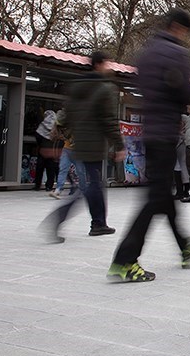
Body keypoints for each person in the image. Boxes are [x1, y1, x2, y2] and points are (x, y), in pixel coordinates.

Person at [107, 8, 190, 282]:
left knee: (162, 193)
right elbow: (185, 91)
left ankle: (185, 246)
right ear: (178, 27)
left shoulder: (147, 52)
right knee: (154, 199)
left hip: (150, 131)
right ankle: (124, 260)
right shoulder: (176, 54)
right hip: (165, 132)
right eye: (185, 32)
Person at [38, 51, 125, 243]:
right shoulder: (104, 89)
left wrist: (55, 142)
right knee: (87, 187)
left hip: (78, 145)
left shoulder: (76, 88)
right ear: (98, 64)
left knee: (95, 185)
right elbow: (109, 121)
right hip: (93, 146)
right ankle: (59, 220)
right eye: (107, 63)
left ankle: (99, 223)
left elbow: (64, 118)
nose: (109, 67)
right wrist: (119, 145)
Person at [49, 108, 85, 199]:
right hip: (67, 149)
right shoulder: (61, 123)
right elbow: (55, 134)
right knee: (63, 168)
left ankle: (83, 190)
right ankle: (58, 190)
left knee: (80, 171)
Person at [34, 109, 60, 192]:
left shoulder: (42, 125)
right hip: (51, 151)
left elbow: (38, 136)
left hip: (42, 150)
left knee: (39, 168)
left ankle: (37, 185)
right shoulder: (55, 127)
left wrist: (40, 145)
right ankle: (49, 186)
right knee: (50, 169)